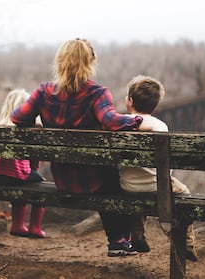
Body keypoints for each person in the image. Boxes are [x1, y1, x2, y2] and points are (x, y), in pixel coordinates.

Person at [11, 38, 143, 256]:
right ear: (90, 62)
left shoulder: (44, 92)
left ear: (60, 62)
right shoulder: (97, 93)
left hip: (63, 178)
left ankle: (121, 240)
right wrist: (137, 120)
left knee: (109, 175)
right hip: (96, 180)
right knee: (114, 176)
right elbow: (110, 121)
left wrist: (37, 124)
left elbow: (18, 117)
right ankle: (119, 240)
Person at [120, 75, 199, 261]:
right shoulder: (160, 126)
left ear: (129, 101)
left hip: (128, 187)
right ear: (155, 105)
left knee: (136, 196)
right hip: (158, 187)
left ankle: (137, 234)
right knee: (185, 193)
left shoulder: (121, 123)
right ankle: (188, 241)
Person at [0, 89, 47, 238]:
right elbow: (34, 160)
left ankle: (18, 225)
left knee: (20, 181)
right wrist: (33, 170)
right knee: (40, 185)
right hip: (18, 175)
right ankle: (34, 227)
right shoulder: (26, 130)